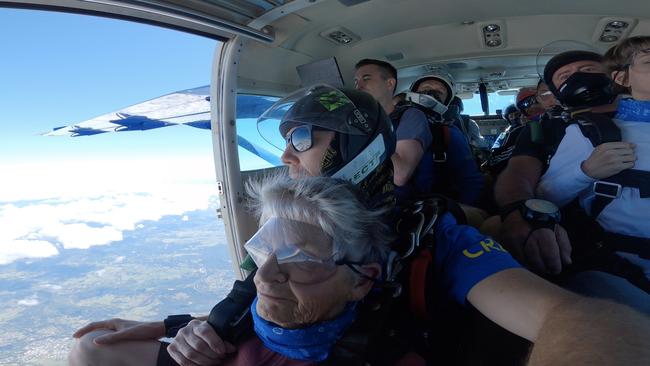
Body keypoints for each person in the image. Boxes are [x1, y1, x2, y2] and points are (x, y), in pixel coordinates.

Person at [69, 85, 650, 366]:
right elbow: (259, 286)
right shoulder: (285, 216)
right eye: (286, 141)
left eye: (300, 139)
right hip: (281, 344)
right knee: (91, 351)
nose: (288, 157)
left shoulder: (435, 232)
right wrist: (187, 325)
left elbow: (570, 318)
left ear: (355, 149)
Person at [536, 36, 650, 299]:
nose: (578, 77)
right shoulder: (591, 132)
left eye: (588, 70)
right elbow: (545, 196)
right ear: (622, 79)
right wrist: (585, 171)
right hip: (629, 274)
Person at [494, 50, 618, 275]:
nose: (578, 77)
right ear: (557, 93)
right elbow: (519, 173)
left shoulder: (640, 114)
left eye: (588, 70)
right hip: (579, 235)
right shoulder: (542, 128)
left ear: (616, 76)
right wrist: (518, 212)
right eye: (565, 77)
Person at [353, 59, 484, 205]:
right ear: (413, 92)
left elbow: (470, 179)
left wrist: (464, 211)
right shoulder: (384, 120)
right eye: (426, 87)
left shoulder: (449, 132)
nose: (431, 93)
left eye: (439, 91)